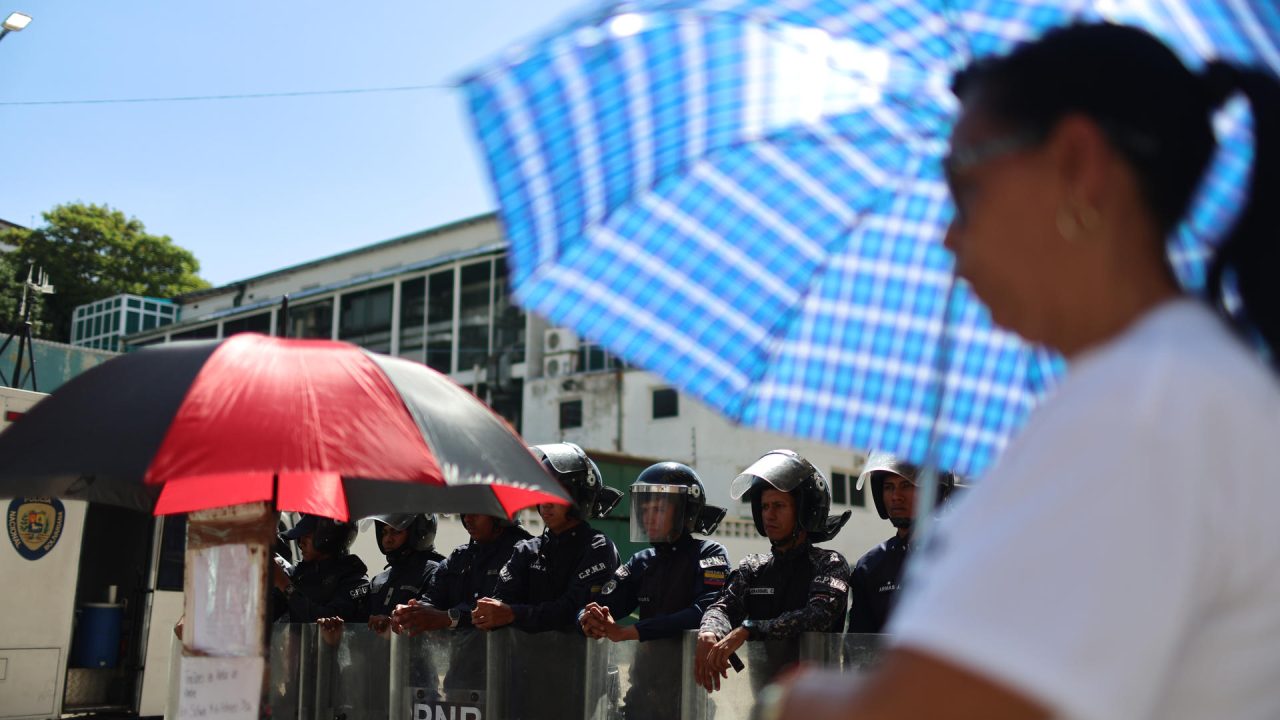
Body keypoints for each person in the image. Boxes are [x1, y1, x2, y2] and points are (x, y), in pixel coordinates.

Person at [777, 22, 1280, 720]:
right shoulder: (1180, 386)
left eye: (966, 186)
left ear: (1078, 162)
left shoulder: (1139, 408)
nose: (948, 236)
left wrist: (798, 701)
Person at [477, 442, 621, 720]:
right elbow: (499, 604)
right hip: (524, 681)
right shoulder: (526, 549)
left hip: (580, 685)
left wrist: (511, 614)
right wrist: (497, 612)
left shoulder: (597, 546)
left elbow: (570, 610)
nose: (545, 502)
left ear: (578, 496)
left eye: (556, 492)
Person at [579, 461, 730, 719]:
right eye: (644, 508)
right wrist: (590, 618)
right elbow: (603, 603)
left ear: (685, 511)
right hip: (641, 694)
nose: (648, 517)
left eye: (658, 508)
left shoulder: (708, 553)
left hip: (689, 693)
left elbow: (703, 610)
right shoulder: (642, 561)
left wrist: (632, 632)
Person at [694, 449, 851, 694]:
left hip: (818, 703)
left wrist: (750, 628)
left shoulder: (829, 563)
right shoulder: (753, 567)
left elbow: (817, 616)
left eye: (778, 505)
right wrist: (709, 631)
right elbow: (723, 607)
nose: (769, 514)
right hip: (762, 703)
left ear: (804, 511)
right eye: (765, 506)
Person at [389, 512, 532, 699]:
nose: (467, 519)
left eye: (475, 513)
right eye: (464, 514)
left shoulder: (526, 553)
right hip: (463, 681)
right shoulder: (460, 557)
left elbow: (496, 609)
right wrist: (410, 613)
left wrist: (449, 618)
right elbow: (432, 598)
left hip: (511, 683)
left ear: (499, 516)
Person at [846, 453, 957, 634]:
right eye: (889, 487)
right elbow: (859, 644)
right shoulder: (870, 566)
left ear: (934, 491)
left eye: (907, 485)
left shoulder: (959, 550)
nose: (896, 496)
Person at [271, 514, 368, 623]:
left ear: (327, 537)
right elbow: (266, 615)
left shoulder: (354, 579)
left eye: (306, 536)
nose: (301, 543)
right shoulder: (300, 575)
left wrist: (284, 584)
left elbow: (326, 620)